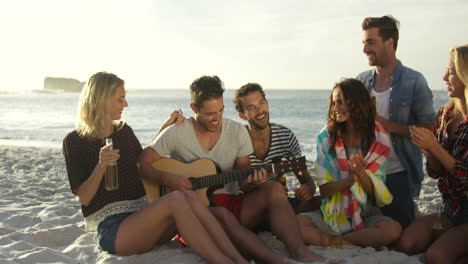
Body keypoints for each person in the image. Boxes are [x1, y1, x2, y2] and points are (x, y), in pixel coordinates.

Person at [62, 72, 248, 264]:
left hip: (145, 219)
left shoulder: (124, 132)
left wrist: (165, 129)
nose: (125, 104)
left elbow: (139, 162)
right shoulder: (74, 142)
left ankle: (237, 259)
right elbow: (84, 197)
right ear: (102, 100)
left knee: (189, 196)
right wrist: (101, 165)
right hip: (114, 230)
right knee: (176, 198)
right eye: (120, 99)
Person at [138, 75, 323, 263]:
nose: (217, 119)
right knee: (223, 215)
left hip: (233, 204)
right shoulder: (177, 132)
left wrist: (253, 182)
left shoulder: (237, 131)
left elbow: (244, 183)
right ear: (194, 108)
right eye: (210, 114)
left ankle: (299, 251)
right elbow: (142, 163)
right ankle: (275, 260)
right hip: (196, 214)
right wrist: (169, 180)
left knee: (274, 189)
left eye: (221, 110)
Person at [298, 79, 402, 247]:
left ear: (355, 103)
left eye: (340, 102)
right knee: (296, 224)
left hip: (366, 211)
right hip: (333, 210)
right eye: (333, 103)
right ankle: (350, 241)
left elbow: (373, 195)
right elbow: (324, 191)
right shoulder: (326, 138)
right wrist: (350, 180)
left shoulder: (377, 138)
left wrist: (361, 174)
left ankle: (339, 242)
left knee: (393, 230)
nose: (335, 108)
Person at [356, 15, 435, 229]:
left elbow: (429, 129)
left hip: (398, 173)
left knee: (399, 232)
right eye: (363, 43)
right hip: (365, 172)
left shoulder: (414, 81)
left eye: (371, 42)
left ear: (390, 43)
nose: (364, 49)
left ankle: (414, 214)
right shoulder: (360, 82)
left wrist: (386, 124)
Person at [399, 45, 468, 264]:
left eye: (451, 72)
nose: (444, 77)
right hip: (451, 209)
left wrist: (436, 148)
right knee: (408, 243)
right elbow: (437, 174)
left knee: (437, 257)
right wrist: (430, 153)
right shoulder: (445, 114)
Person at [233, 83, 320, 214]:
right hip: (250, 208)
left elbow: (305, 178)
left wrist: (309, 188)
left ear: (267, 103)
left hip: (280, 203)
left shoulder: (286, 136)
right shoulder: (237, 140)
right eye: (251, 108)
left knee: (322, 202)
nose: (259, 111)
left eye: (261, 103)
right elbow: (237, 187)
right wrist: (255, 184)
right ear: (242, 115)